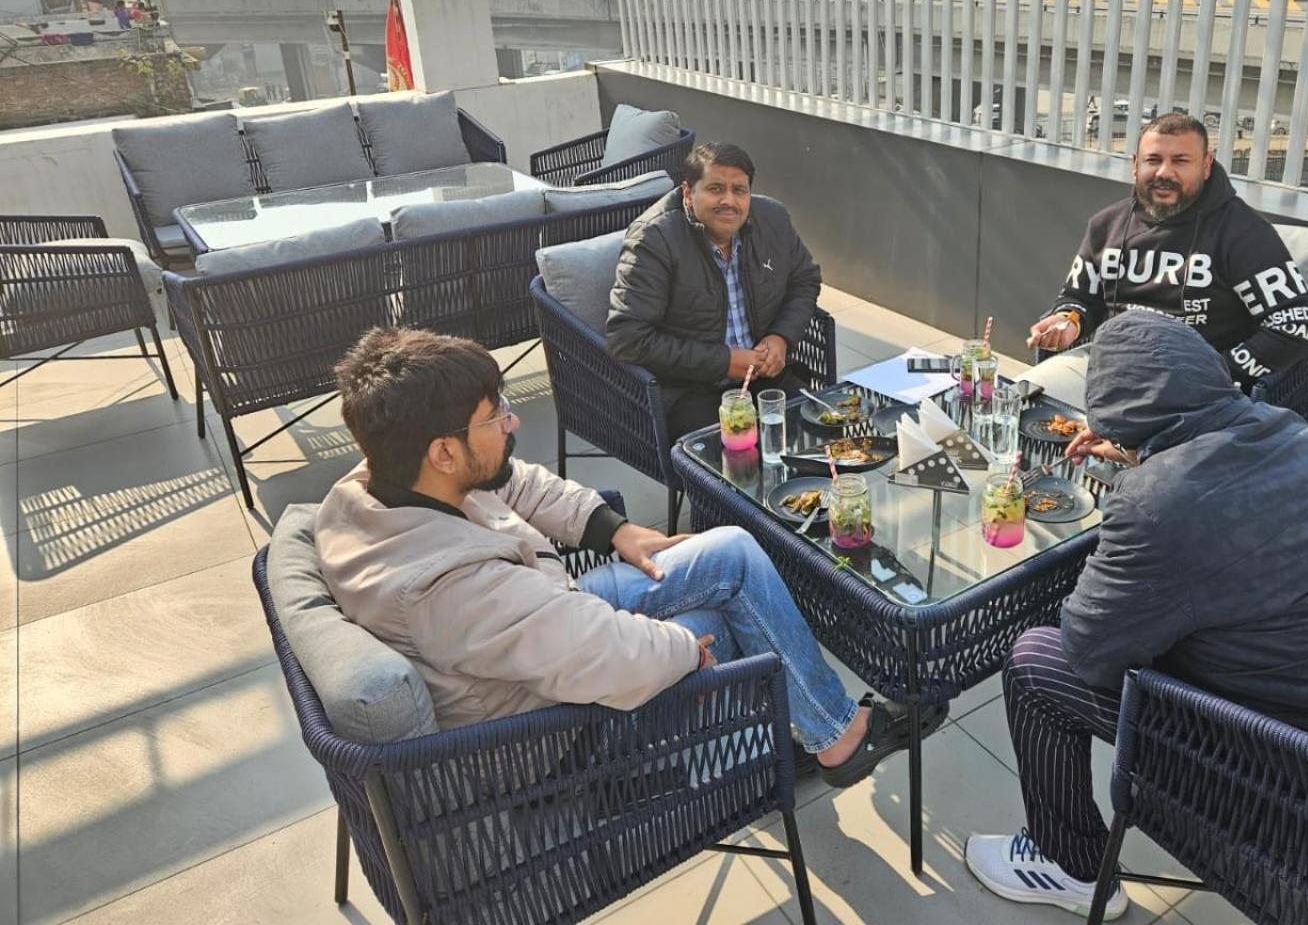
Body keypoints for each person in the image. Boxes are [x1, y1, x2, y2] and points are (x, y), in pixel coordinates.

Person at [965, 311, 1308, 917]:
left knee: (1033, 661)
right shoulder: (1300, 436)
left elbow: (1088, 652)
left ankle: (1066, 864)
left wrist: (1141, 480)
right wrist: (1143, 451)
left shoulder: (1158, 504)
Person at [315, 326, 922, 785]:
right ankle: (819, 737)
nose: (512, 422)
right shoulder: (448, 588)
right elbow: (599, 651)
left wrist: (615, 530)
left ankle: (818, 727)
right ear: (444, 452)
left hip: (542, 626)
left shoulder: (382, 482)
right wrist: (685, 650)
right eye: (494, 416)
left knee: (733, 553)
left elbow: (518, 483)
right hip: (548, 734)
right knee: (716, 624)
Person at [1027, 112, 1308, 396]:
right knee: (1022, 400)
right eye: (1153, 160)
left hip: (1195, 386)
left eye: (1181, 161)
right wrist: (1069, 320)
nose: (1164, 173)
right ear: (1135, 165)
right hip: (1108, 367)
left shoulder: (1244, 234)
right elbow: (1079, 297)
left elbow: (1296, 326)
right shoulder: (1106, 226)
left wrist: (1218, 371)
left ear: (1206, 166)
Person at [609, 141, 822, 440]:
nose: (729, 201)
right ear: (688, 192)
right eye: (715, 189)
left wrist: (782, 337)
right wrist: (724, 362)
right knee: (737, 457)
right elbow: (628, 338)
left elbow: (805, 280)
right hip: (690, 390)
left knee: (823, 431)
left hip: (765, 377)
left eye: (739, 190)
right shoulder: (653, 238)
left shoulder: (772, 218)